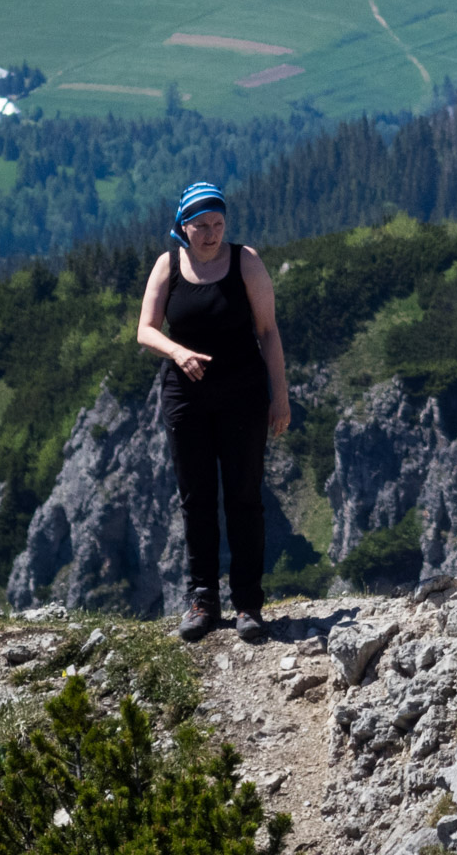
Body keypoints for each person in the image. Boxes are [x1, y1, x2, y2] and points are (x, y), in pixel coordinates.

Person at [136, 182, 289, 643]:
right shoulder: (168, 265)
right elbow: (145, 330)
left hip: (242, 394)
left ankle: (248, 604)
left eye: (218, 224)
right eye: (201, 226)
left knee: (244, 495)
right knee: (196, 498)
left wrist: (279, 395)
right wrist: (178, 353)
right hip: (187, 397)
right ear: (184, 225)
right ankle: (203, 600)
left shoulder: (247, 262)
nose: (211, 234)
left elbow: (269, 332)